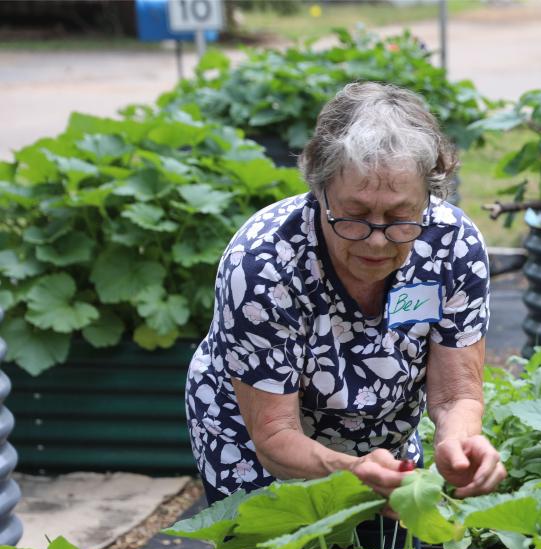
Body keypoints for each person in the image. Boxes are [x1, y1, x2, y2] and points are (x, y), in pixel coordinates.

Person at [185, 81, 506, 519]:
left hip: (379, 435)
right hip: (258, 440)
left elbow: (455, 396)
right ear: (319, 189)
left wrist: (460, 443)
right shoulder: (264, 264)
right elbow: (275, 434)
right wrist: (351, 472)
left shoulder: (452, 245)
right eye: (354, 217)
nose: (376, 241)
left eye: (399, 217)